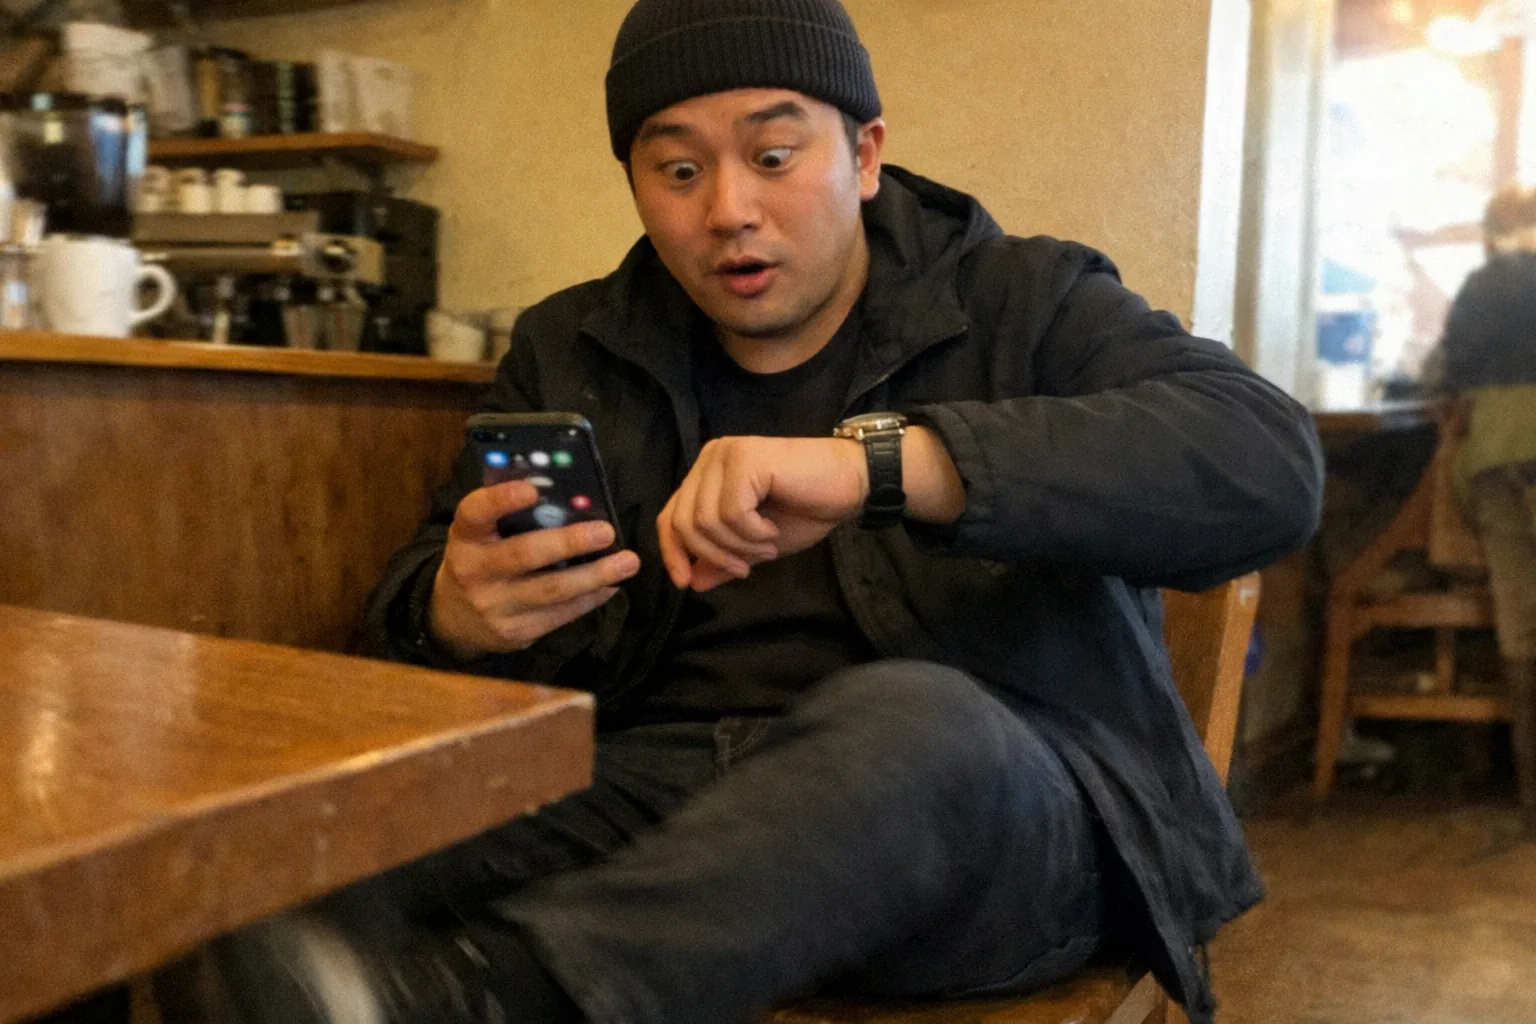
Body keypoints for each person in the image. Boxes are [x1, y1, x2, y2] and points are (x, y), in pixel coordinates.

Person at [166, 2, 1323, 1022]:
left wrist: (885, 463)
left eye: (774, 155)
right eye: (677, 172)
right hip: (668, 801)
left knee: (917, 727)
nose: (729, 210)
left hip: (989, 815)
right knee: (266, 858)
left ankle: (494, 996)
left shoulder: (1024, 297)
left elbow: (1266, 462)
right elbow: (419, 591)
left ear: (864, 154)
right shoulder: (573, 345)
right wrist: (449, 608)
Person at [1425, 186, 1536, 831]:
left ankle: (1532, 804)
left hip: (1495, 459)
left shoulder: (1479, 289)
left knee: (1522, 629)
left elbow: (1447, 374)